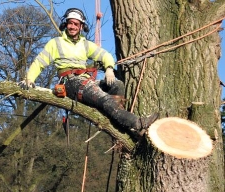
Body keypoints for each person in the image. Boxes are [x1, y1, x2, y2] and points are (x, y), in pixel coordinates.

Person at [18, 8, 159, 136]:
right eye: (70, 23)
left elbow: (105, 55)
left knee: (117, 85)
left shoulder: (85, 44)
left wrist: (109, 68)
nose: (72, 26)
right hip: (70, 82)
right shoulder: (56, 43)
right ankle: (137, 123)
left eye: (76, 24)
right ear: (65, 24)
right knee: (104, 98)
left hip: (86, 81)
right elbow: (39, 62)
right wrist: (29, 79)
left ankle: (124, 127)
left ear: (81, 27)